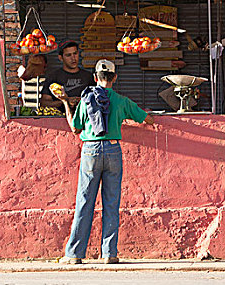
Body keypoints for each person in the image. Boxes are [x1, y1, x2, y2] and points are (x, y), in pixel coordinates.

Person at [56, 59, 154, 265]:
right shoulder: (121, 100)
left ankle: (74, 254)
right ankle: (109, 253)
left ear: (94, 78)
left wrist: (65, 101)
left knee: (85, 201)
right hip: (113, 150)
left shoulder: (86, 99)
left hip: (90, 150)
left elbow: (75, 128)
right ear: (115, 77)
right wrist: (151, 118)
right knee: (111, 202)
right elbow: (146, 118)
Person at [40, 40, 95, 111]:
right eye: (68, 55)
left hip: (84, 119)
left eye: (75, 53)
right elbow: (44, 103)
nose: (73, 58)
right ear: (60, 58)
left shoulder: (89, 77)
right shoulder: (53, 77)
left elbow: (98, 100)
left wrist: (82, 101)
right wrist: (64, 101)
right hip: (60, 119)